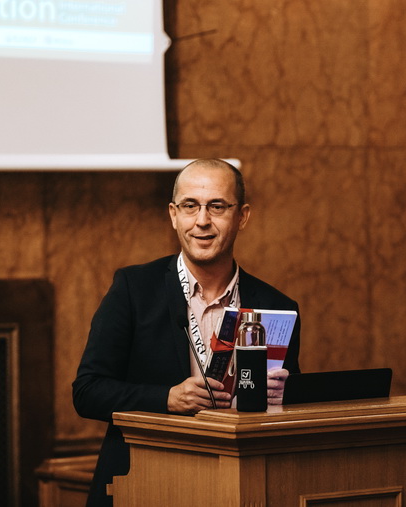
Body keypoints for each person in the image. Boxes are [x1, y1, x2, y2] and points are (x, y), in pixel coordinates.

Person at [72, 158, 301, 506]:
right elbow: (88, 391)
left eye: (217, 206)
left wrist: (284, 399)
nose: (202, 221)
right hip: (146, 484)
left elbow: (295, 407)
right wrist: (166, 398)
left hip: (241, 486)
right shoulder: (134, 289)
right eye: (190, 206)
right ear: (173, 214)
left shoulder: (278, 307)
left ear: (243, 216)